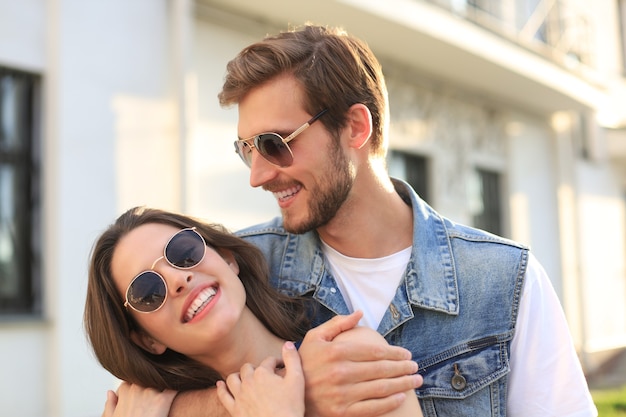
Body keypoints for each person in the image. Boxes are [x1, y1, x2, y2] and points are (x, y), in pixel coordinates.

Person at [169, 23, 597, 416]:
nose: (258, 175)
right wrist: (295, 386)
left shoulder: (503, 280)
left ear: (355, 127)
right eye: (247, 149)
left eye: (274, 143)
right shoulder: (240, 271)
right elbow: (149, 403)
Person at [84, 206, 423, 417]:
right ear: (146, 339)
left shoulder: (351, 357)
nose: (177, 280)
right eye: (147, 290)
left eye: (183, 251)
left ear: (228, 260)